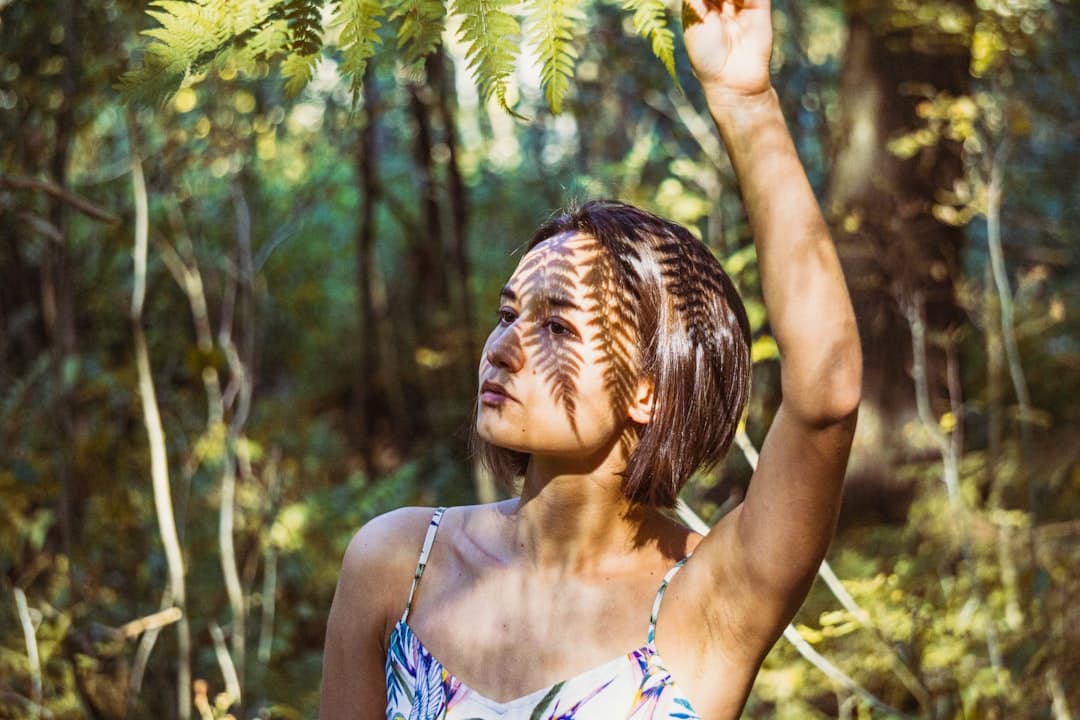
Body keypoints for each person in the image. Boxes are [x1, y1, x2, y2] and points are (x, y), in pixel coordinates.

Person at [319, 0, 862, 714]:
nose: (504, 348)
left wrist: (745, 100)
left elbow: (826, 396)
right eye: (507, 314)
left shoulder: (708, 597)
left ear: (648, 389)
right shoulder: (398, 565)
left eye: (557, 328)